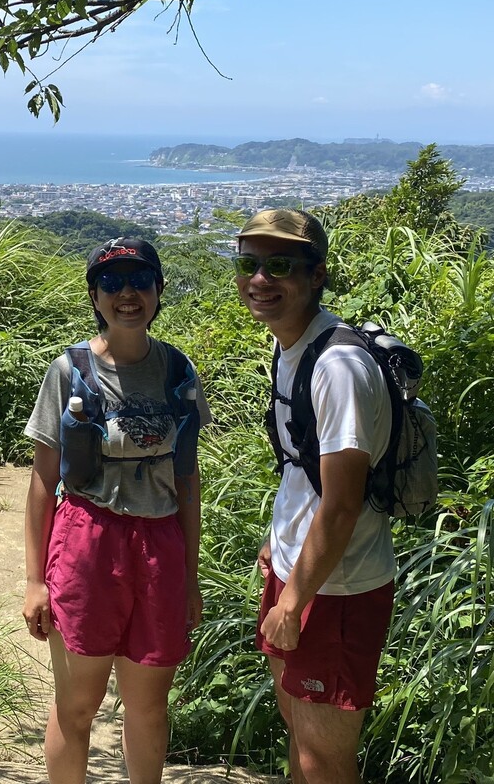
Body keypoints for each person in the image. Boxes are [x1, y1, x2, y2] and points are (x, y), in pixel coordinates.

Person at [22, 237, 207, 784]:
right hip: (87, 539)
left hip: (160, 542)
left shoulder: (178, 371)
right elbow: (42, 480)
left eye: (140, 280)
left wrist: (190, 577)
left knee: (148, 706)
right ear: (94, 297)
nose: (128, 293)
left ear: (159, 290)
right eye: (111, 282)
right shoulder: (69, 370)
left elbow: (187, 480)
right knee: (77, 704)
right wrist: (35, 580)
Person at [233, 209, 395, 784]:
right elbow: (303, 470)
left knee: (321, 758)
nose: (260, 279)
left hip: (336, 587)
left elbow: (343, 504)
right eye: (249, 265)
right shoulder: (293, 346)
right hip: (298, 570)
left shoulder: (338, 367)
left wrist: (293, 602)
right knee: (298, 734)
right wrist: (276, 543)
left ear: (317, 274)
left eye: (279, 266)